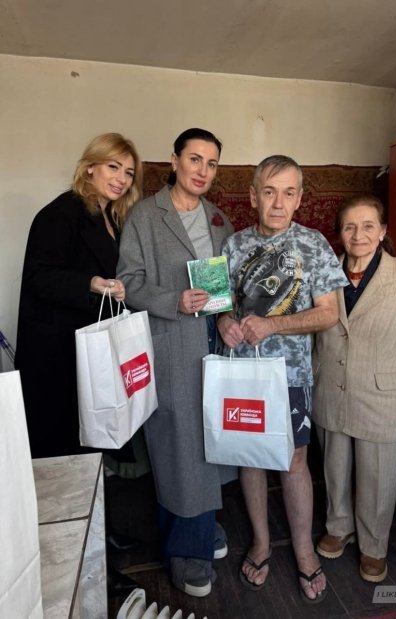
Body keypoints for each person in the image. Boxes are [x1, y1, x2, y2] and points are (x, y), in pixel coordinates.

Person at [218, 155, 348, 603]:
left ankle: (304, 550)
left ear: (299, 198)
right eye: (269, 192)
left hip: (291, 377)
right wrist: (223, 321)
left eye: (288, 193)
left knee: (294, 462)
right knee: (250, 459)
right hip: (243, 376)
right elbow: (219, 305)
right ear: (253, 196)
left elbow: (328, 313)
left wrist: (272, 324)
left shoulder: (313, 244)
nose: (278, 203)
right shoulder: (232, 245)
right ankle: (260, 542)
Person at [117, 127, 236, 598]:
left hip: (213, 342)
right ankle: (188, 551)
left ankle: (202, 524)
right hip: (171, 343)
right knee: (180, 448)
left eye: (212, 163)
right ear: (174, 160)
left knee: (212, 443)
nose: (203, 171)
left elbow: (226, 283)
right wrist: (174, 300)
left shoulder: (219, 220)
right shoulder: (146, 216)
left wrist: (226, 314)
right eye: (195, 159)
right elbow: (128, 282)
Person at [312, 194, 396, 583]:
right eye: (350, 226)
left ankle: (374, 545)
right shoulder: (323, 273)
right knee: (334, 467)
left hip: (383, 396)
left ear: (382, 231)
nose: (358, 234)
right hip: (330, 388)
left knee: (378, 477)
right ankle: (339, 526)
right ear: (339, 233)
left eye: (368, 226)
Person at [15, 132, 143, 458]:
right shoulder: (61, 213)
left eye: (129, 172)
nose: (122, 179)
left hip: (89, 348)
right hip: (57, 355)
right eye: (113, 167)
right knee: (63, 448)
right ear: (90, 167)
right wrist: (91, 282)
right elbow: (39, 277)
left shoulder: (111, 216)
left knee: (88, 440)